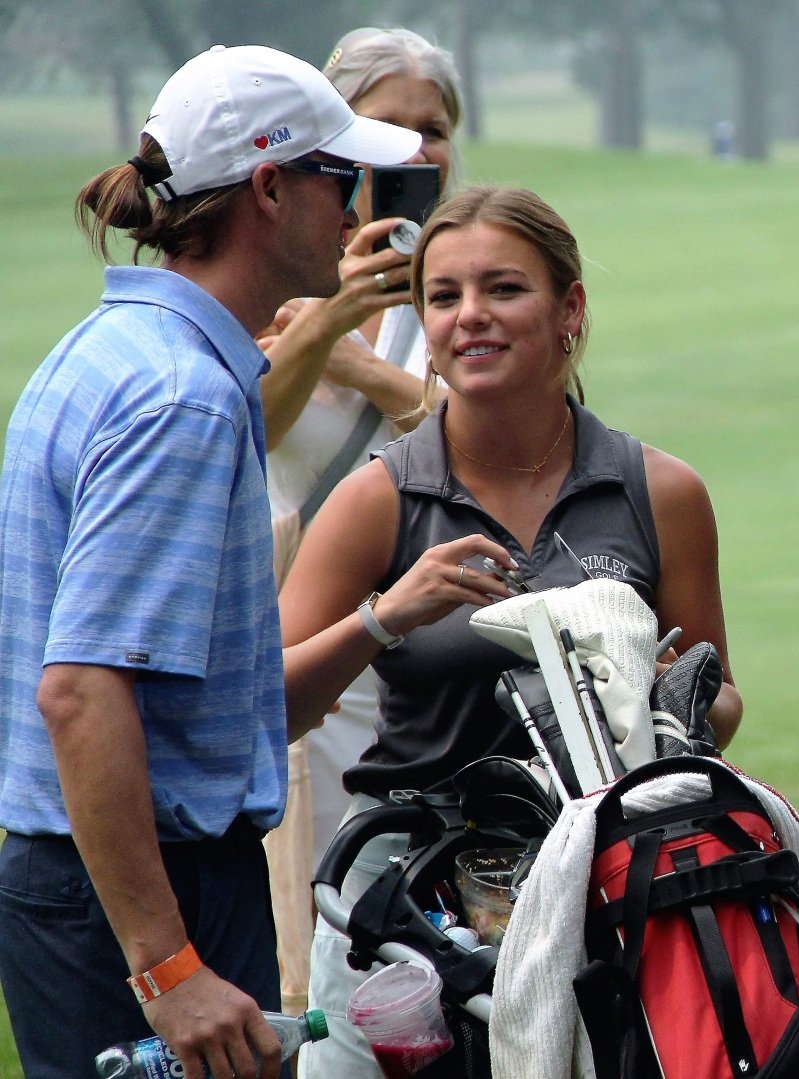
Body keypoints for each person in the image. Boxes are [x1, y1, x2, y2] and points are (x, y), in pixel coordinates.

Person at [0, 44, 420, 1079]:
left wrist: (378, 620)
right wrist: (169, 964)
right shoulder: (182, 399)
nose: (355, 201)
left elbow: (195, 701)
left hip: (94, 884)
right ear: (271, 189)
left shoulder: (108, 350)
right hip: (147, 898)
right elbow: (82, 693)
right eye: (336, 175)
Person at [280, 185, 744, 1076]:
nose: (470, 318)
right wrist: (386, 614)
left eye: (504, 289)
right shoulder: (380, 499)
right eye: (445, 296)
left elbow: (720, 701)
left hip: (604, 894)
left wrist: (665, 698)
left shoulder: (661, 492)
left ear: (570, 308)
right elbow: (270, 706)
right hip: (409, 907)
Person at [254, 25, 463, 1017]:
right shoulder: (278, 276)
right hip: (294, 651)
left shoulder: (460, 283)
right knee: (303, 933)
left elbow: (478, 444)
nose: (420, 152)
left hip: (421, 641)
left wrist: (362, 360)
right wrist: (326, 322)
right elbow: (249, 429)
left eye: (436, 130)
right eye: (393, 128)